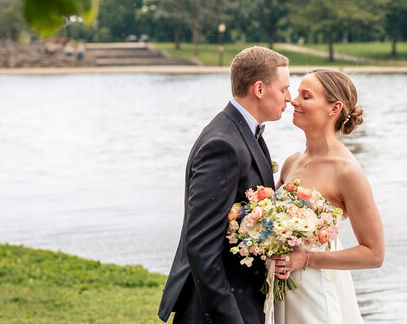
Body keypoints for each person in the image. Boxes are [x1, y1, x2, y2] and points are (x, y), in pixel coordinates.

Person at [159, 47, 293, 324]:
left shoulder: (243, 132)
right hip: (218, 310)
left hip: (243, 299)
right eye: (284, 89)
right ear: (259, 89)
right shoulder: (223, 144)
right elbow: (201, 246)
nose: (289, 98)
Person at [272, 69, 384, 324]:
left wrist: (306, 258)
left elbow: (374, 254)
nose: (294, 101)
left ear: (334, 108)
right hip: (278, 289)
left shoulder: (347, 171)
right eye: (297, 94)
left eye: (306, 96)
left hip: (315, 291)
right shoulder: (291, 162)